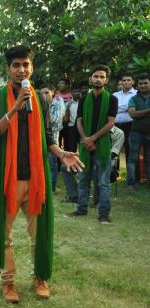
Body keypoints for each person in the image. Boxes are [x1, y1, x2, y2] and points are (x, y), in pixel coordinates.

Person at [0, 45, 83, 303]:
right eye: (16, 65)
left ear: (32, 68)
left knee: (38, 235)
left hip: (36, 179)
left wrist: (61, 154)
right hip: (9, 178)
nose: (21, 69)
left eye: (25, 64)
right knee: (5, 236)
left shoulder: (40, 98)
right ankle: (8, 283)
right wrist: (15, 107)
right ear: (8, 69)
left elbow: (47, 137)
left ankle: (39, 278)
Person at [69, 64, 118, 224]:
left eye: (102, 77)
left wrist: (93, 138)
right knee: (83, 180)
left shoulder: (112, 99)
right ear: (91, 78)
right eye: (96, 76)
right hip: (85, 145)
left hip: (102, 145)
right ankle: (81, 209)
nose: (98, 79)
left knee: (103, 183)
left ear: (107, 80)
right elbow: (79, 121)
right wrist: (85, 139)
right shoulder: (84, 99)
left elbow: (111, 123)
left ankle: (104, 213)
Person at [40, 83, 65, 192]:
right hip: (39, 141)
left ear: (53, 93)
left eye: (47, 92)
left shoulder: (57, 105)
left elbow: (53, 122)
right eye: (42, 93)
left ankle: (51, 187)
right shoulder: (38, 105)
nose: (44, 95)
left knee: (51, 165)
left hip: (52, 141)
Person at [127, 73, 150, 189]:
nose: (143, 85)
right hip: (136, 132)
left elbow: (137, 113)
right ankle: (131, 183)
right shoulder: (133, 98)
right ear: (137, 85)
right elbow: (132, 114)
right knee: (132, 159)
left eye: (145, 83)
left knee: (149, 159)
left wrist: (141, 113)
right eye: (140, 83)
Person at [113, 72, 137, 182]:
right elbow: (113, 110)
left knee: (130, 150)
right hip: (116, 125)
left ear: (133, 81)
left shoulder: (137, 94)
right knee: (114, 151)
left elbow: (133, 109)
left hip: (131, 125)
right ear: (121, 82)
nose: (126, 82)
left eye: (128, 80)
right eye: (124, 80)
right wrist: (125, 108)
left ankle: (132, 179)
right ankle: (113, 176)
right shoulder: (115, 95)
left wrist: (120, 108)